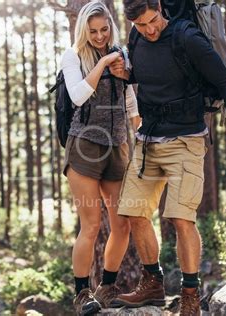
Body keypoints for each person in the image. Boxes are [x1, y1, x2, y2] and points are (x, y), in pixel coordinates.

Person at [108, 0, 226, 314]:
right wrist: (126, 73)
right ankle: (153, 284)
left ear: (159, 6)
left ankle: (189, 294)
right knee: (134, 212)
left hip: (186, 139)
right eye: (140, 26)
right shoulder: (137, 38)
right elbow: (149, 75)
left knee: (181, 218)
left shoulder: (187, 37)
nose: (148, 30)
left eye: (151, 22)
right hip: (148, 139)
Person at [60, 1, 141, 315]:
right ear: (84, 29)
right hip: (84, 146)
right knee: (91, 226)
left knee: (123, 225)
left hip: (118, 146)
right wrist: (104, 61)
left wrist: (140, 130)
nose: (99, 35)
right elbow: (78, 94)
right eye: (92, 31)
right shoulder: (73, 55)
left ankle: (107, 287)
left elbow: (130, 99)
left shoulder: (122, 53)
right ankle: (82, 294)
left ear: (111, 26)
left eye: (104, 29)